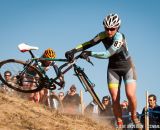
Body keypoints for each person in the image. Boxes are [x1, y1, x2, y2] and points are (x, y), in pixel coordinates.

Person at [65, 13, 141, 128]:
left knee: (130, 94)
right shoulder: (102, 35)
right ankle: (119, 124)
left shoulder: (119, 37)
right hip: (113, 68)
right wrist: (73, 50)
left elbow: (107, 54)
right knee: (115, 99)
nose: (109, 31)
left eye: (112, 29)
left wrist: (90, 53)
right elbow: (88, 43)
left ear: (117, 28)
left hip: (127, 67)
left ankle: (134, 116)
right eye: (107, 28)